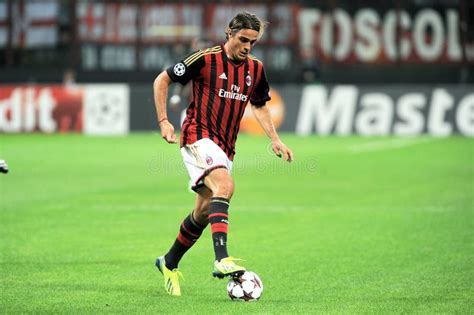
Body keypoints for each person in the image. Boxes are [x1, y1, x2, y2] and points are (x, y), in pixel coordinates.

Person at [152, 12, 293, 297]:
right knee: (226, 186)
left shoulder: (256, 68)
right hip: (197, 136)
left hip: (226, 146)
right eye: (243, 39)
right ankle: (222, 258)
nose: (247, 47)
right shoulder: (204, 59)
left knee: (203, 212)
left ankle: (168, 262)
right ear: (229, 33)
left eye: (252, 42)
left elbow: (260, 104)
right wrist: (164, 121)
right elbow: (161, 81)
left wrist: (275, 139)